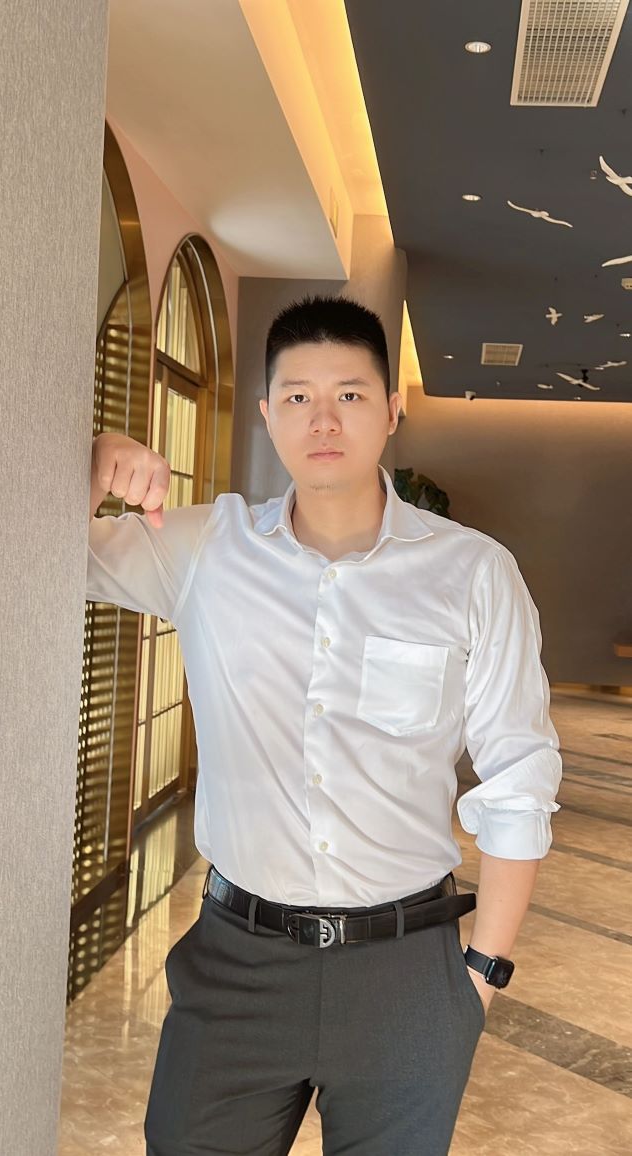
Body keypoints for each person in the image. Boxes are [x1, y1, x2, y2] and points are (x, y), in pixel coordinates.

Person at [86, 295, 562, 1155]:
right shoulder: (206, 549)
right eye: (298, 396)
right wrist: (94, 460)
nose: (324, 419)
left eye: (349, 394)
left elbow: (519, 777)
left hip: (405, 971)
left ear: (391, 411)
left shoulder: (473, 573)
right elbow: (38, 545)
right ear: (267, 415)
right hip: (236, 963)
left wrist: (480, 975)